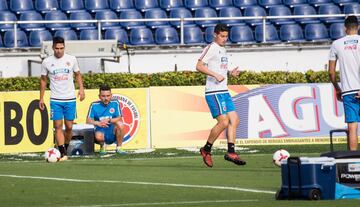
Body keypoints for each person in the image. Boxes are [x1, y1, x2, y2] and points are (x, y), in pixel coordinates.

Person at [196, 23, 246, 167]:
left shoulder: (222, 50)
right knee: (223, 122)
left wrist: (231, 72)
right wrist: (215, 75)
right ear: (215, 35)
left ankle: (231, 152)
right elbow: (199, 66)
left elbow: (220, 68)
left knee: (234, 120)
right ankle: (206, 150)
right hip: (214, 92)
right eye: (222, 36)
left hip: (224, 91)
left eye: (226, 36)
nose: (225, 39)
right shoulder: (211, 47)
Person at [39, 36, 85, 161]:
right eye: (57, 48)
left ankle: (63, 146)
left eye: (61, 48)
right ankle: (63, 153)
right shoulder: (47, 62)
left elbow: (78, 75)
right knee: (58, 126)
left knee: (69, 127)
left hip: (70, 98)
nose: (59, 50)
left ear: (64, 47)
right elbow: (43, 80)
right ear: (53, 48)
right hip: (56, 99)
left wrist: (81, 89)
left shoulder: (72, 59)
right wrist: (41, 98)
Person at [329, 15, 360, 151]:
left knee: (352, 127)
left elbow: (331, 73)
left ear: (344, 28)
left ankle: (354, 164)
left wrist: (337, 88)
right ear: (358, 27)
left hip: (348, 91)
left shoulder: (336, 44)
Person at [86, 85, 126, 155]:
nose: (106, 98)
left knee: (120, 124)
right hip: (100, 130)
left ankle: (119, 147)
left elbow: (119, 118)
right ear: (99, 96)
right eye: (103, 96)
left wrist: (109, 120)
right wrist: (98, 123)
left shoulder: (115, 103)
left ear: (111, 95)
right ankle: (102, 146)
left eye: (108, 96)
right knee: (98, 136)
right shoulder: (94, 105)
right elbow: (88, 121)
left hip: (112, 131)